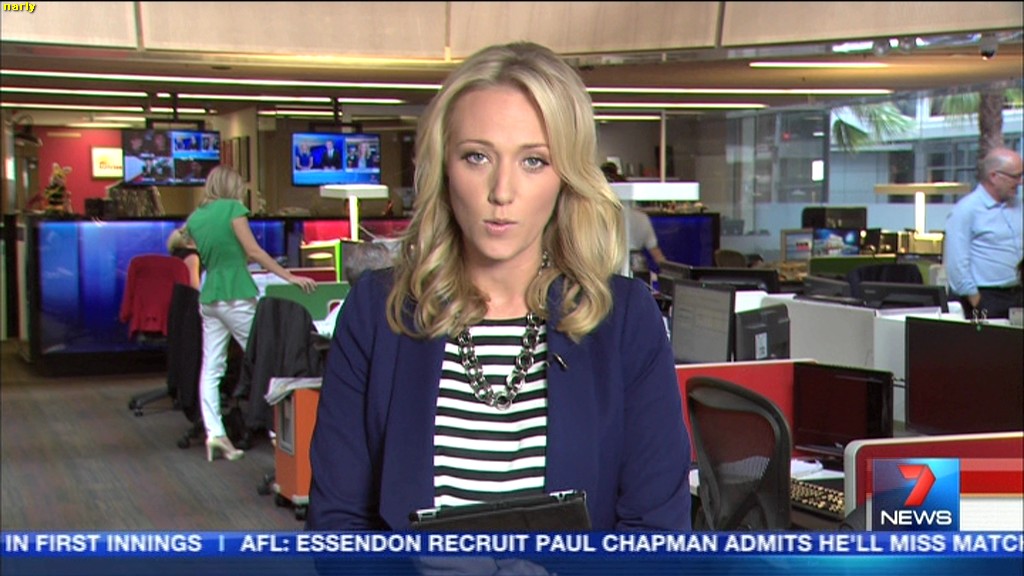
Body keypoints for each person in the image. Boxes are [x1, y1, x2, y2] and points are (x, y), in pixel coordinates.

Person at [307, 41, 691, 531]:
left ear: (566, 176)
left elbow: (656, 534)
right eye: (477, 157)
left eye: (533, 161)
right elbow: (337, 528)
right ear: (444, 169)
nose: (502, 192)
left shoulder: (625, 321)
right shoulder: (376, 313)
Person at [185, 166, 318, 462]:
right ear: (231, 187)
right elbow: (254, 252)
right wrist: (289, 276)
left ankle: (215, 433)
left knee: (212, 367)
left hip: (209, 297)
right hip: (236, 296)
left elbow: (200, 248)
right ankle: (278, 431)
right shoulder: (233, 209)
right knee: (266, 359)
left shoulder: (196, 218)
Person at [944, 147, 1023, 319]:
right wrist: (976, 301)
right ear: (994, 176)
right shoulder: (966, 210)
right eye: (1015, 177)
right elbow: (957, 265)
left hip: (1017, 296)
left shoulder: (1019, 207)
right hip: (984, 298)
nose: (1020, 182)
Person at [600, 161, 668, 274]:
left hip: (611, 272)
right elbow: (657, 256)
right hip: (637, 269)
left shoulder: (600, 219)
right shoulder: (642, 218)